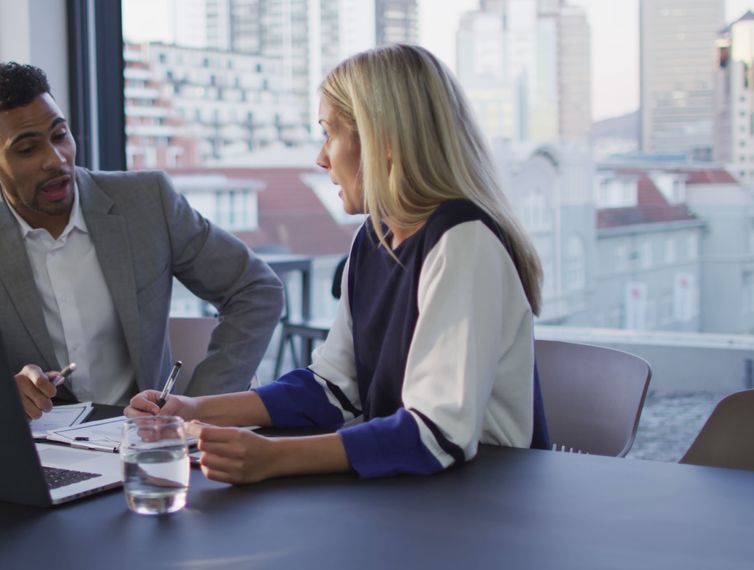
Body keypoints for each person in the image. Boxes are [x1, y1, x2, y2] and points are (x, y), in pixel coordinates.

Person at [126, 44, 550, 484]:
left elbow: (437, 433)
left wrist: (273, 457)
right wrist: (193, 409)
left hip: (485, 502)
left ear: (382, 141)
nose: (321, 157)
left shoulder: (463, 241)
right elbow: (332, 387)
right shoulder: (374, 238)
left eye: (329, 133)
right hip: (414, 493)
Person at [0, 62, 283, 418]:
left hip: (144, 446)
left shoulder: (147, 202)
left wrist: (198, 409)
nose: (55, 159)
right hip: (32, 453)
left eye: (60, 135)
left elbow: (255, 289)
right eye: (27, 149)